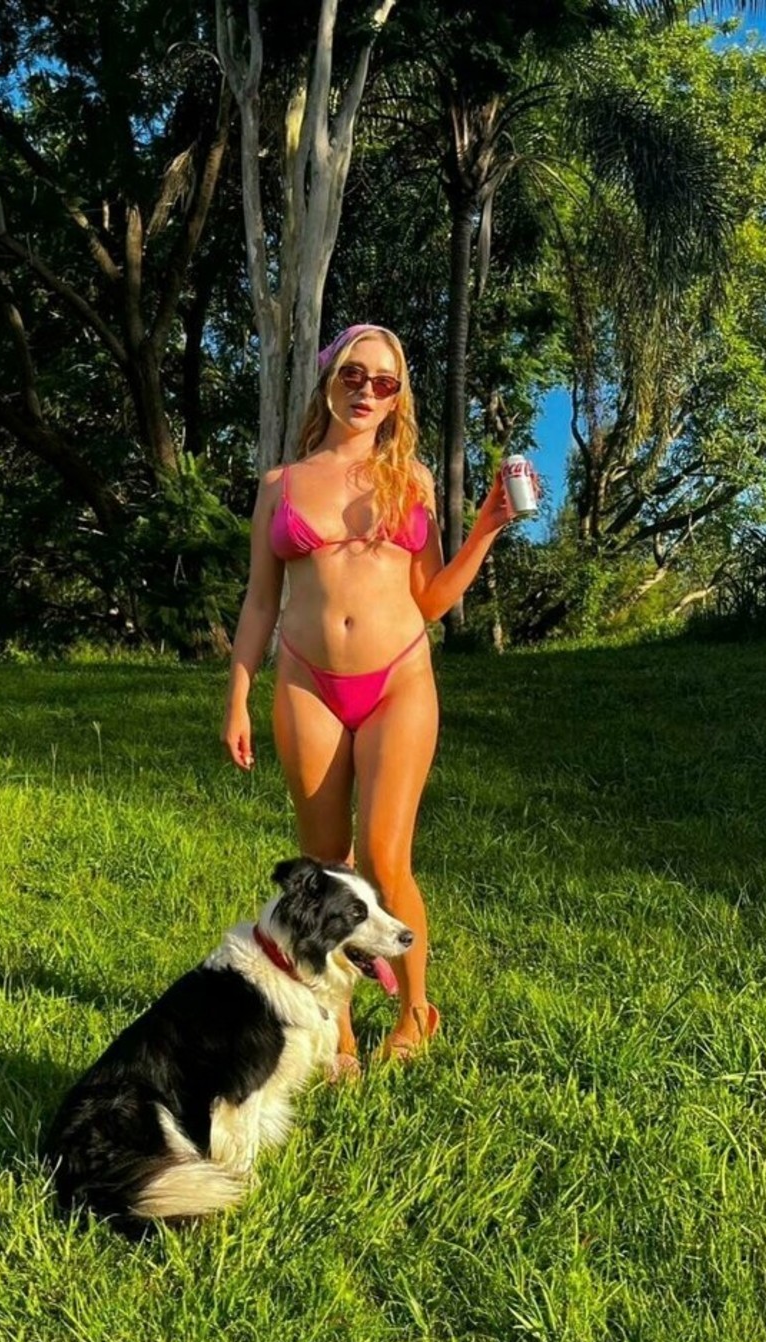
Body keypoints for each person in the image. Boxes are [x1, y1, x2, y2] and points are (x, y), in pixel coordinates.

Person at [222, 323, 521, 1076]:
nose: (367, 390)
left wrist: (486, 528)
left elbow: (431, 600)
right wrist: (238, 695)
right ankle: (340, 1029)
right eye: (354, 374)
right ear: (330, 377)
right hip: (306, 681)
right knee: (327, 866)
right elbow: (260, 601)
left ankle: (416, 1011)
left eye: (385, 382)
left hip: (398, 679)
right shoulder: (280, 484)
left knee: (386, 858)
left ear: (397, 400)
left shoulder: (410, 479)